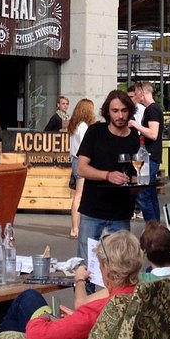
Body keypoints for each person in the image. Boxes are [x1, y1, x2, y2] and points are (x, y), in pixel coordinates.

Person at [0, 230, 141, 339]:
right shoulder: (139, 295)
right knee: (28, 300)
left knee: (28, 298)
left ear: (107, 269)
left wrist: (43, 316)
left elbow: (35, 336)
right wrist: (74, 319)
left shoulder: (93, 313)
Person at [75, 91, 141, 265]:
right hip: (93, 208)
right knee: (86, 263)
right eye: (115, 111)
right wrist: (107, 175)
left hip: (121, 211)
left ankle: (115, 294)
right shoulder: (96, 132)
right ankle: (84, 293)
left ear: (130, 111)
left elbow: (136, 174)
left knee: (121, 265)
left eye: (124, 110)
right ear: (107, 112)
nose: (120, 115)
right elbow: (82, 168)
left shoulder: (134, 136)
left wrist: (139, 184)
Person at [129, 81, 164, 222]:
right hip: (149, 155)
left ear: (142, 93)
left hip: (149, 156)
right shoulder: (152, 109)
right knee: (149, 192)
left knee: (143, 193)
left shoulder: (152, 110)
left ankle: (151, 225)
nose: (136, 96)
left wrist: (136, 125)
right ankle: (155, 226)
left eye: (137, 93)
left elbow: (153, 133)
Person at [68, 98, 95, 238]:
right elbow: (87, 146)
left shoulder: (74, 125)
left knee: (77, 195)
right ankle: (75, 228)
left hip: (74, 160)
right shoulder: (84, 127)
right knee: (79, 196)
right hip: (81, 161)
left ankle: (75, 228)